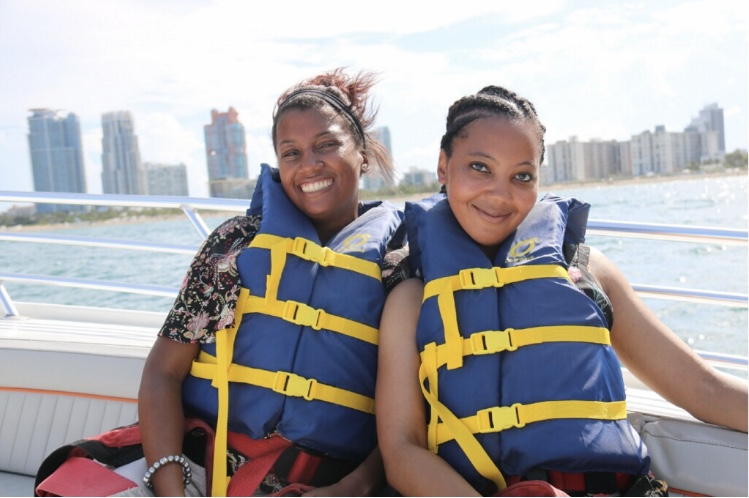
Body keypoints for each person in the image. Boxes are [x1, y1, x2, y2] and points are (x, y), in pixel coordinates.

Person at [375, 85, 748, 496]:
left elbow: (703, 389)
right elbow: (401, 449)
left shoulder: (585, 269)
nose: (501, 194)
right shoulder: (411, 299)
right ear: (443, 167)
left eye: (522, 176)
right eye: (480, 167)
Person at [138, 68, 408, 497]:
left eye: (327, 145)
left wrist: (351, 488)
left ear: (364, 155)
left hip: (328, 480)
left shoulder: (398, 262)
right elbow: (162, 373)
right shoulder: (235, 243)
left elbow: (412, 415)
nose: (309, 165)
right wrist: (172, 487)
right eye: (291, 153)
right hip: (199, 463)